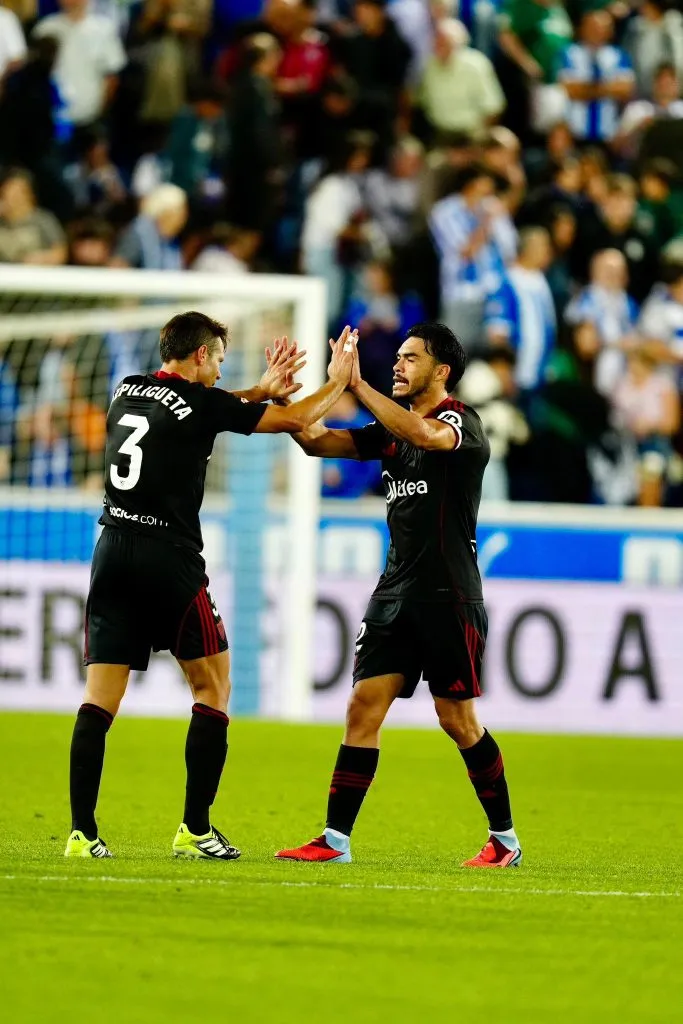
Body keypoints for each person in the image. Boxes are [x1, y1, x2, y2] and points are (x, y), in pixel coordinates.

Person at [64, 314, 359, 859]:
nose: (222, 368)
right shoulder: (202, 404)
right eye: (219, 358)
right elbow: (294, 420)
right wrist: (339, 381)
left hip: (110, 551)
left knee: (99, 701)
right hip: (168, 560)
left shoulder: (127, 389)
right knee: (213, 688)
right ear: (200, 356)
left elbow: (198, 411)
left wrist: (256, 392)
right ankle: (195, 830)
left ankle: (83, 833)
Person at [275, 322, 522, 868]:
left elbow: (426, 436)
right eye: (399, 357)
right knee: (363, 708)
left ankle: (504, 839)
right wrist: (290, 400)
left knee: (457, 720)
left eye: (412, 359)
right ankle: (335, 840)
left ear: (442, 372)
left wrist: (358, 387)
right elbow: (316, 442)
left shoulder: (462, 422)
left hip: (448, 597)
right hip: (394, 595)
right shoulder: (390, 431)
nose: (399, 365)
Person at [32, 0, 126, 133]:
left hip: (91, 118)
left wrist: (101, 113)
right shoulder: (45, 29)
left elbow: (112, 75)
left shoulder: (104, 29)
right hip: (51, 118)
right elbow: (35, 75)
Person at [484, 225, 557, 396]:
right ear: (528, 249)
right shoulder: (507, 282)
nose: (549, 250)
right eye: (544, 245)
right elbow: (497, 334)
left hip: (539, 375)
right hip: (515, 378)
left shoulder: (540, 280)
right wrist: (504, 372)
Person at [417, 18, 506, 138]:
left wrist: (479, 140)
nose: (439, 45)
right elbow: (422, 100)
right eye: (437, 40)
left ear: (458, 43)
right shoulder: (430, 66)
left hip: (471, 135)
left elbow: (493, 108)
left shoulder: (477, 64)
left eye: (444, 41)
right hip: (439, 133)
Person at [558, 9, 635, 144]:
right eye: (593, 27)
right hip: (575, 132)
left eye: (602, 27)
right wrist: (609, 88)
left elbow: (625, 90)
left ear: (610, 31)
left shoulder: (619, 55)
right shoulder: (569, 53)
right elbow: (570, 90)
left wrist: (586, 89)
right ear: (583, 28)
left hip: (608, 133)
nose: (597, 32)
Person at [0, 166, 67, 265]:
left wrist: (43, 258)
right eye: (8, 193)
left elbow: (61, 253)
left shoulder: (43, 220)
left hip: (35, 275)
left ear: (29, 195)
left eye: (17, 193)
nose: (12, 199)